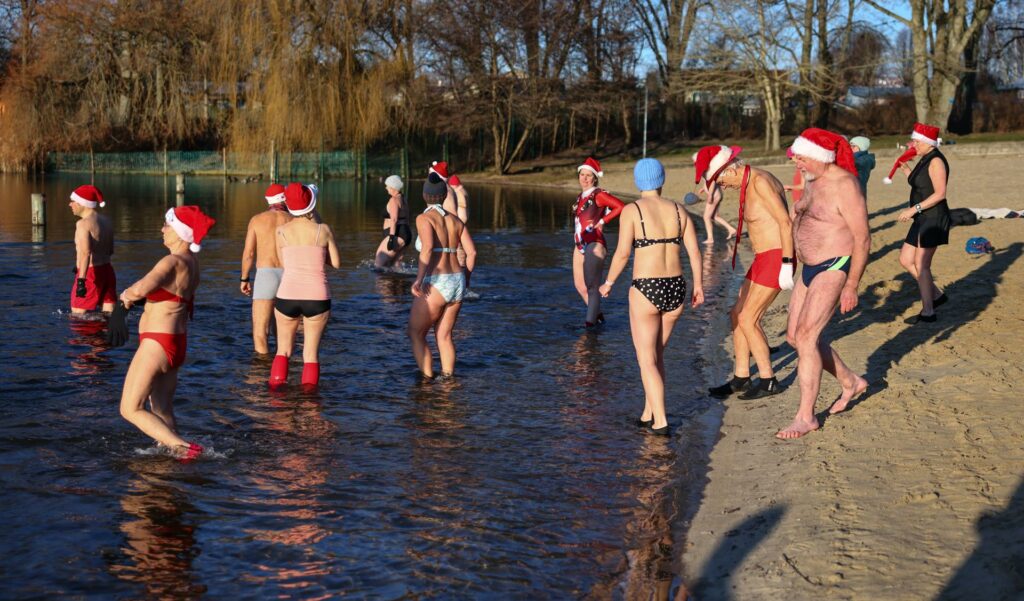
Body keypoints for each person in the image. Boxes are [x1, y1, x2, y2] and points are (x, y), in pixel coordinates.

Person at [599, 158, 704, 435]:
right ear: (662, 180)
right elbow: (694, 252)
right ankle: (648, 412)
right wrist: (699, 287)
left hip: (647, 287)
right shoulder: (679, 210)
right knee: (657, 356)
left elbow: (623, 253)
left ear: (638, 181)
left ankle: (661, 422)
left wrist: (609, 281)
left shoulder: (632, 211)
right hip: (677, 287)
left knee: (646, 359)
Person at [778, 128, 870, 440]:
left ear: (819, 156)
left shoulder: (845, 185)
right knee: (794, 337)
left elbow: (863, 237)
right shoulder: (812, 180)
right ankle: (850, 381)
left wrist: (852, 284)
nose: (796, 161)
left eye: (801, 157)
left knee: (806, 337)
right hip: (809, 267)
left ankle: (806, 417)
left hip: (835, 265)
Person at [694, 146, 795, 399]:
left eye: (721, 180)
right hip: (763, 257)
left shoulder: (760, 181)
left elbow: (785, 221)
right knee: (737, 314)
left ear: (730, 168)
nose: (722, 187)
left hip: (776, 256)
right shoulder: (750, 181)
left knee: (749, 318)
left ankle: (768, 380)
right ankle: (741, 378)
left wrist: (786, 263)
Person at [118, 205, 215, 460]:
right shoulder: (192, 263)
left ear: (181, 233)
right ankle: (171, 458)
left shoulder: (172, 261)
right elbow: (166, 294)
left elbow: (142, 288)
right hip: (176, 343)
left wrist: (126, 297)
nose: (162, 229)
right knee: (161, 408)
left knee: (129, 408)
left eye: (167, 225)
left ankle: (183, 449)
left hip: (156, 344)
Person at [269, 183, 341, 389]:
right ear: (311, 204)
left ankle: (275, 401)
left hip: (287, 294)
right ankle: (310, 405)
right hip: (317, 296)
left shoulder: (281, 231)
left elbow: (284, 263)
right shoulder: (323, 230)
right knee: (310, 354)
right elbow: (336, 263)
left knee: (282, 351)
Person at [408, 173, 477, 380]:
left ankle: (428, 383)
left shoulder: (424, 218)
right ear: (445, 194)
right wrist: (467, 279)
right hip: (458, 280)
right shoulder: (455, 221)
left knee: (415, 332)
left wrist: (419, 279)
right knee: (444, 336)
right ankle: (448, 383)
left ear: (424, 195)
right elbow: (472, 253)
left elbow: (427, 249)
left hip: (437, 281)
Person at [895, 123, 950, 323]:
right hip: (922, 217)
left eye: (917, 142)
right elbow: (920, 183)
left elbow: (940, 193)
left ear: (928, 143)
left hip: (933, 217)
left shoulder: (936, 161)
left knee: (921, 264)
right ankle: (936, 294)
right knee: (905, 259)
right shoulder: (924, 158)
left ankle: (928, 311)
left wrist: (913, 209)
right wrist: (905, 169)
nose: (913, 145)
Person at [572, 157, 625, 327]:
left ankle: (588, 327)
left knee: (592, 287)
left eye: (588, 175)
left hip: (594, 243)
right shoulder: (580, 196)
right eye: (582, 175)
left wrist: (603, 222)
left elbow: (620, 206)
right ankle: (598, 317)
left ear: (595, 177)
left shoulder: (599, 194)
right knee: (580, 286)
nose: (585, 178)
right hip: (580, 244)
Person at [240, 184, 292, 354]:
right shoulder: (294, 220)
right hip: (290, 275)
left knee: (260, 333)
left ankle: (261, 371)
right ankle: (283, 365)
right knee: (284, 332)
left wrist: (244, 278)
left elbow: (249, 253)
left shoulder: (257, 220)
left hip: (266, 275)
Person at [68, 185, 116, 314]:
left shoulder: (83, 224)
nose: (70, 204)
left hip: (90, 274)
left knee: (78, 316)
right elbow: (110, 250)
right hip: (108, 272)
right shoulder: (107, 221)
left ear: (82, 203)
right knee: (108, 316)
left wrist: (81, 281)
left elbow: (85, 253)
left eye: (73, 201)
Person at [374, 175, 411, 269]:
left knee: (378, 264)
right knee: (395, 266)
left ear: (393, 186)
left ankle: (381, 284)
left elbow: (394, 219)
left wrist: (391, 238)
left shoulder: (394, 200)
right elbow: (407, 218)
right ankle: (399, 283)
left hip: (396, 234)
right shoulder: (403, 199)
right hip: (404, 233)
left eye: (387, 185)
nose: (386, 188)